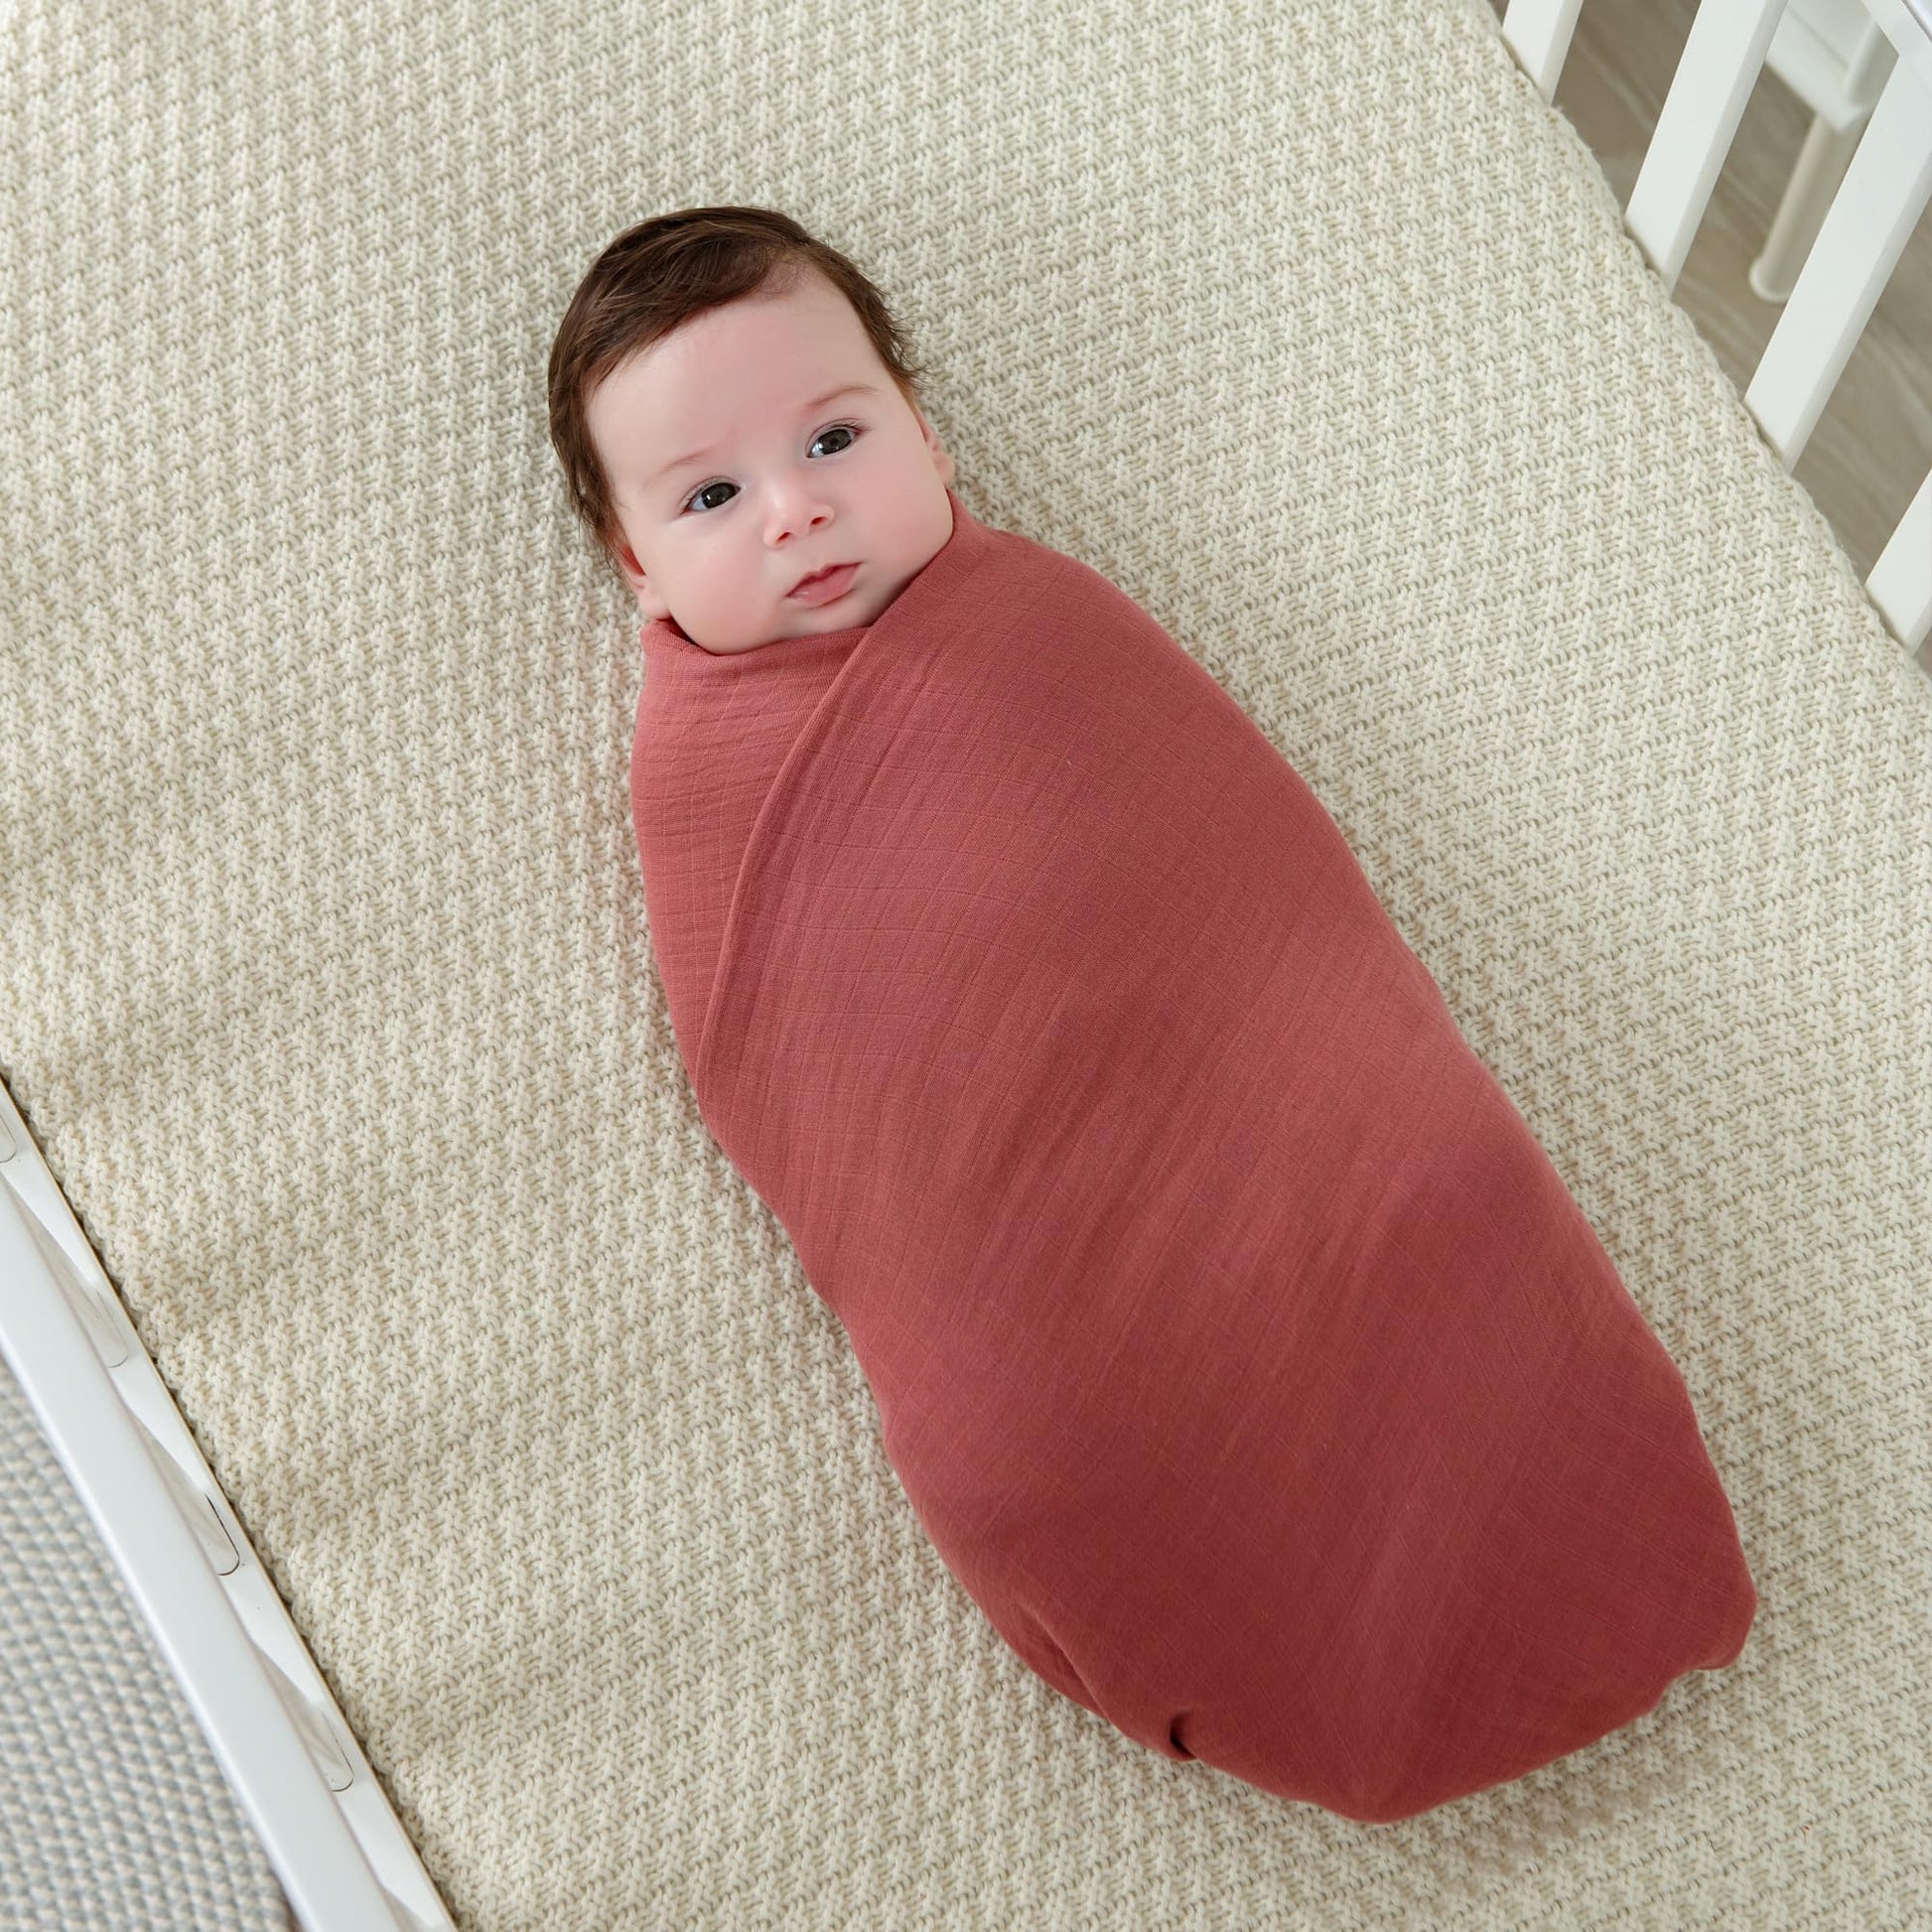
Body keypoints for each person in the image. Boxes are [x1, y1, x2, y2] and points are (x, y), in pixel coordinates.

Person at [548, 205, 956, 655]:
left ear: (921, 432)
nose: (795, 515)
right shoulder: (701, 705)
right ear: (639, 566)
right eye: (714, 495)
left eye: (831, 441)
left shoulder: (1021, 602)